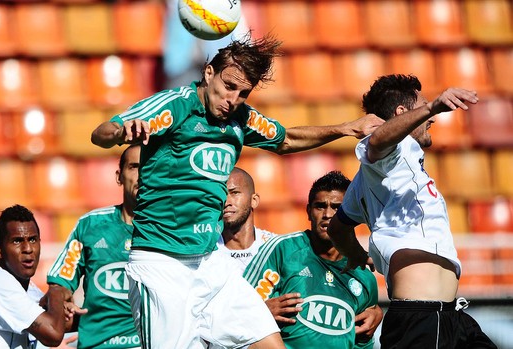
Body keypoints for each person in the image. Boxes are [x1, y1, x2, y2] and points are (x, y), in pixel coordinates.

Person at [91, 34, 383, 349]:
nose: (233, 99)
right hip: (162, 264)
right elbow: (101, 133)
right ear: (208, 74)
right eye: (229, 87)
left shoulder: (240, 119)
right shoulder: (175, 106)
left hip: (209, 261)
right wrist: (122, 131)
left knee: (268, 343)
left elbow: (285, 140)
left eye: (243, 93)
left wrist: (345, 128)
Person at [327, 74, 496, 348]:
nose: (431, 118)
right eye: (423, 107)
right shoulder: (392, 150)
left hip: (448, 315)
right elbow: (378, 141)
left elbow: (338, 227)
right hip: (421, 317)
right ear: (402, 113)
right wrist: (433, 106)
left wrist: (356, 255)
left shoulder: (368, 180)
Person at [243, 171, 382, 348]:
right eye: (320, 206)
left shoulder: (363, 276)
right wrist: (260, 311)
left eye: (337, 207)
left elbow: (362, 342)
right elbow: (240, 310)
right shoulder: (282, 251)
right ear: (308, 211)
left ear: (352, 214)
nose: (327, 214)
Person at [46, 145, 141, 349]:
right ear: (119, 176)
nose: (142, 175)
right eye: (134, 167)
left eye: (149, 168)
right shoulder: (90, 226)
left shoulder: (170, 231)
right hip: (98, 343)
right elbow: (60, 283)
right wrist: (63, 301)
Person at [0, 205, 77, 349]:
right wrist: (57, 289)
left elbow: (63, 323)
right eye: (17, 241)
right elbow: (53, 334)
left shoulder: (31, 291)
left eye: (32, 240)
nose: (28, 249)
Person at [217, 167, 276, 273]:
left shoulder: (275, 248)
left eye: (234, 193)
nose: (226, 202)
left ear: (254, 200)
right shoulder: (206, 252)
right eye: (221, 194)